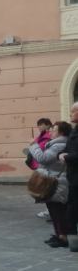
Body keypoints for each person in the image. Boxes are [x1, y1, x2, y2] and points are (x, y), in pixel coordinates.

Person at [28, 121, 72, 248]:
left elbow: (43, 158)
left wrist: (34, 145)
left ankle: (62, 237)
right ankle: (59, 234)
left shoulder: (59, 145)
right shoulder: (56, 144)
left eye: (54, 130)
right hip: (53, 179)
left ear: (61, 132)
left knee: (58, 210)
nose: (51, 132)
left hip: (57, 181)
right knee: (53, 209)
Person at [60, 103, 78, 252]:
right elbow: (68, 148)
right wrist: (63, 154)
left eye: (73, 111)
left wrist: (67, 157)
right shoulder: (74, 131)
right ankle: (73, 239)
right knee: (72, 207)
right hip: (73, 176)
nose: (71, 113)